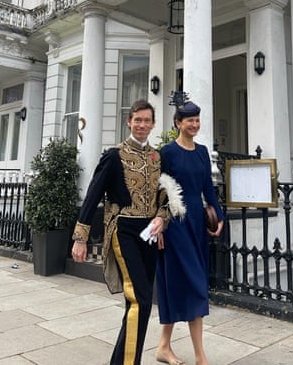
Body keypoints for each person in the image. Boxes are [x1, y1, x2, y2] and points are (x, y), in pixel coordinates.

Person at [72, 99, 170, 365]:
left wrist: (162, 219)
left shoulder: (156, 156)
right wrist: (81, 237)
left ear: (153, 123)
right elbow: (93, 194)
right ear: (129, 122)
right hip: (123, 230)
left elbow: (165, 197)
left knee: (138, 302)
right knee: (141, 300)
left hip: (148, 234)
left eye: (147, 120)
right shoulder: (114, 155)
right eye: (137, 120)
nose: (142, 125)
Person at [156, 100, 224, 365]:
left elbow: (208, 187)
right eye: (189, 120)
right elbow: (158, 191)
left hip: (196, 221)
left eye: (197, 120)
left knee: (183, 284)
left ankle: (163, 346)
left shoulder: (203, 152)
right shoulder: (167, 152)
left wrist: (219, 215)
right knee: (193, 285)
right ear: (177, 123)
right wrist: (159, 223)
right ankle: (200, 356)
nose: (194, 124)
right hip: (175, 223)